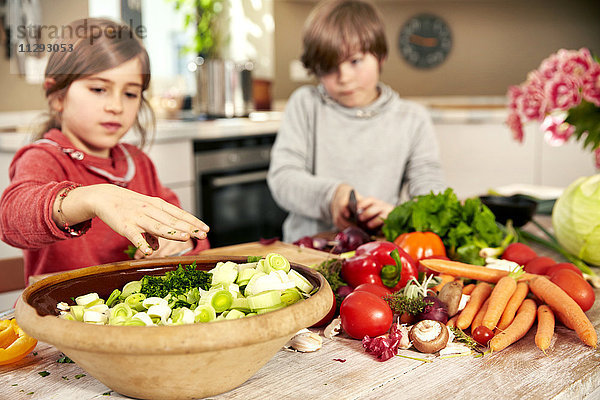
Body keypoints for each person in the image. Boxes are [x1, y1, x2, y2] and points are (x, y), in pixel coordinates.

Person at [0, 18, 210, 281]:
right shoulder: (43, 157)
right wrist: (93, 198)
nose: (116, 106)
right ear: (57, 96)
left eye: (130, 94)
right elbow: (11, 219)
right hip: (63, 317)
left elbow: (190, 234)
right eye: (99, 89)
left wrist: (183, 244)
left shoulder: (139, 162)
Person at [267, 0, 447, 243]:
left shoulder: (413, 119)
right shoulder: (305, 105)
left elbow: (430, 194)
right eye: (330, 67)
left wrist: (397, 216)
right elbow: (283, 179)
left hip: (378, 251)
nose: (344, 77)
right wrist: (332, 195)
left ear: (380, 56)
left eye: (355, 61)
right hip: (305, 250)